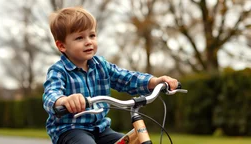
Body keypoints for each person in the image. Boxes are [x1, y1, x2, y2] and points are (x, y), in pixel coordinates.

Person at [43, 6, 178, 144]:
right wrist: (63, 101)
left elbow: (126, 78)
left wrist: (154, 82)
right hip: (71, 130)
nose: (88, 41)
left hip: (100, 129)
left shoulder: (101, 65)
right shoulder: (59, 71)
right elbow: (50, 94)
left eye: (92, 35)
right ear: (62, 46)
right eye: (79, 38)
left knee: (130, 141)